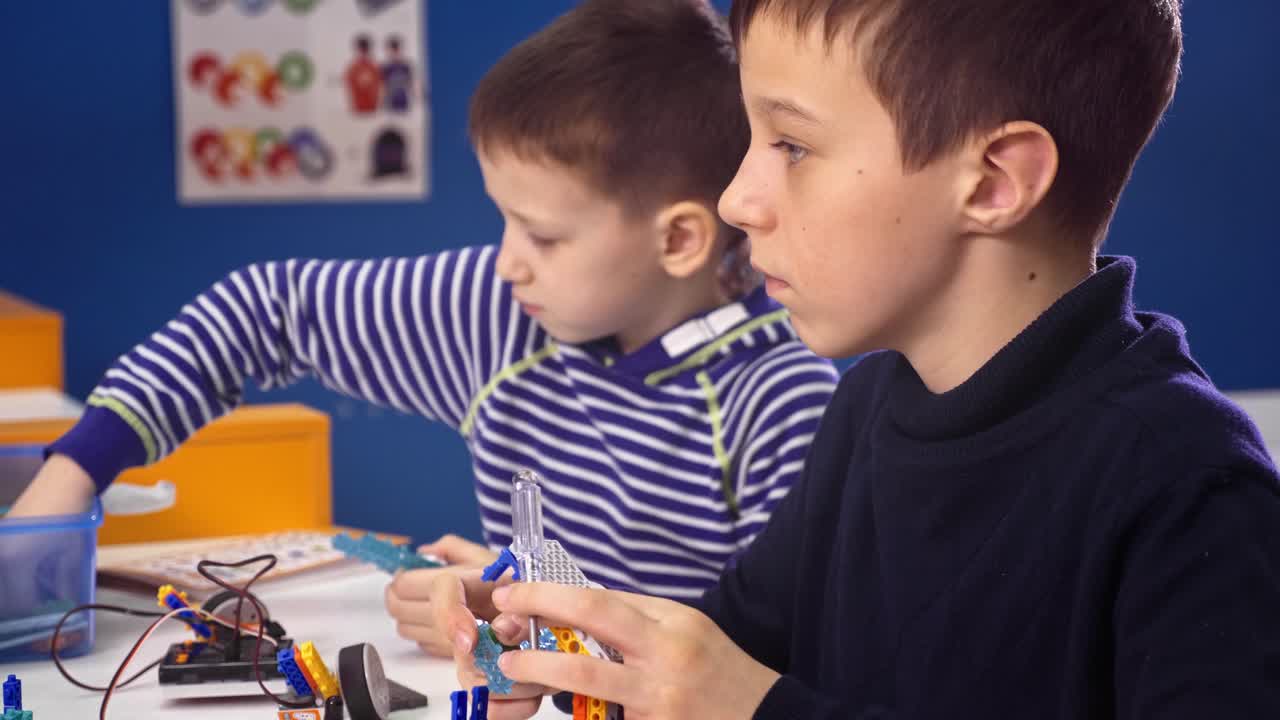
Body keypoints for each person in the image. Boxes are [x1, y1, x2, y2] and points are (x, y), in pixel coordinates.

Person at [440, 1, 1280, 717]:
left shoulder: (1188, 485)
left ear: (994, 182)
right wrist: (572, 644)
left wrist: (758, 709)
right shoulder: (870, 403)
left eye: (791, 145)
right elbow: (720, 662)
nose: (736, 200)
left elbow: (746, 697)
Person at [7, 0, 838, 661]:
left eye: (542, 236)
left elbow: (764, 666)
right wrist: (74, 472)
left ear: (679, 239)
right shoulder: (500, 312)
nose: (507, 262)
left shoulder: (782, 402)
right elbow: (262, 310)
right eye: (502, 219)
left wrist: (529, 624)